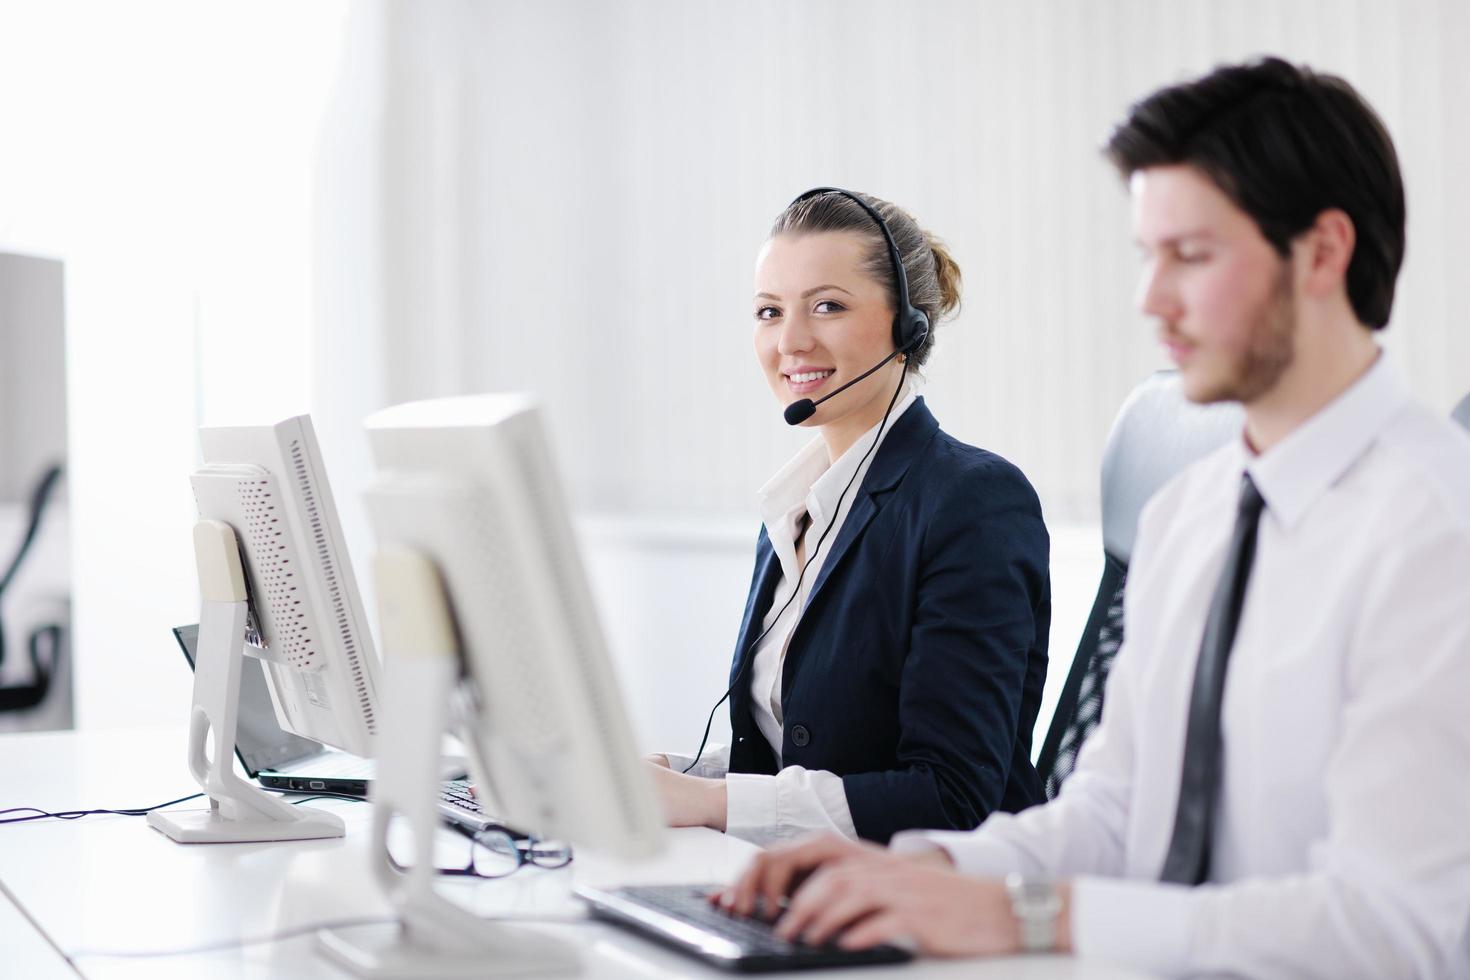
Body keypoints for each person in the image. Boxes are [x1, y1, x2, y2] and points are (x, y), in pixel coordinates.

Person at [720, 59, 1470, 978]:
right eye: (1146, 256)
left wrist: (1036, 917)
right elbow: (1112, 811)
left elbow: (1392, 930)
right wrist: (915, 869)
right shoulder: (1193, 514)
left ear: (1321, 253)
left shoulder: (1437, 531)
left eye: (1189, 256)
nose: (1149, 300)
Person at [645, 188, 1052, 847]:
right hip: (809, 887)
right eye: (768, 312)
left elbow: (950, 797)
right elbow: (802, 766)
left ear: (908, 325)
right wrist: (672, 780)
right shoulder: (794, 508)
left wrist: (708, 801)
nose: (790, 340)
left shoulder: (972, 501)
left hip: (932, 905)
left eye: (827, 306)